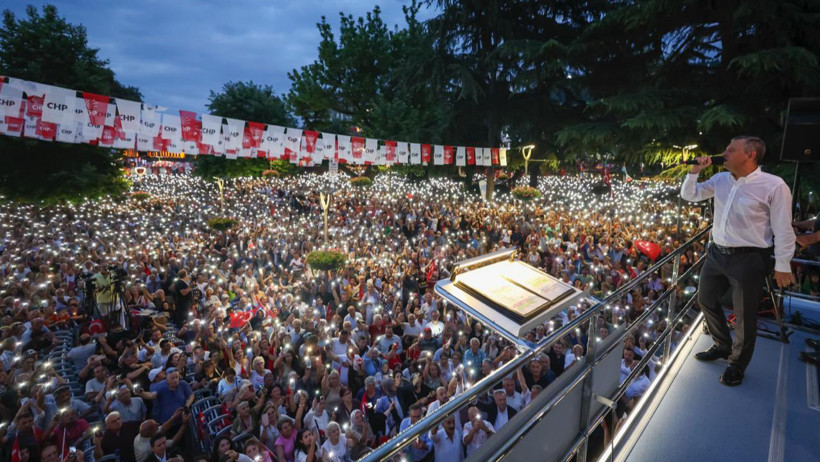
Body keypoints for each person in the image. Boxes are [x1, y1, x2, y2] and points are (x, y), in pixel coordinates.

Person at [681, 136, 796, 386]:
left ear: (750, 154)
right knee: (706, 299)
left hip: (749, 258)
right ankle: (722, 345)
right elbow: (691, 195)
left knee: (745, 315)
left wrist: (783, 265)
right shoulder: (721, 179)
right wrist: (694, 172)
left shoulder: (774, 186)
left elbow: (783, 229)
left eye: (730, 149)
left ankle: (737, 363)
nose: (724, 153)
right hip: (717, 252)